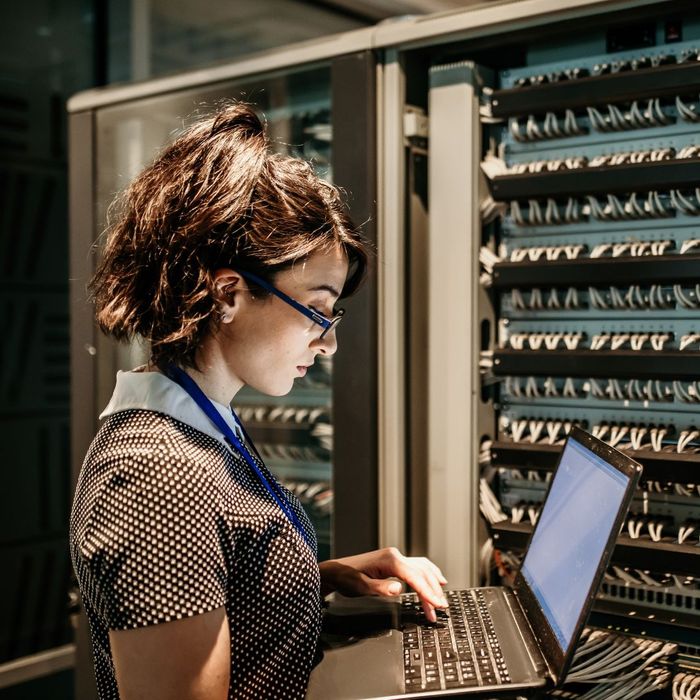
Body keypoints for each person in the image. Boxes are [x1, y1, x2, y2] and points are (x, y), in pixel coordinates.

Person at [70, 103, 448, 700]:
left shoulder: (200, 426)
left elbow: (218, 582)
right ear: (227, 293)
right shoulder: (155, 477)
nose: (328, 343)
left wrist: (320, 578)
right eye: (317, 311)